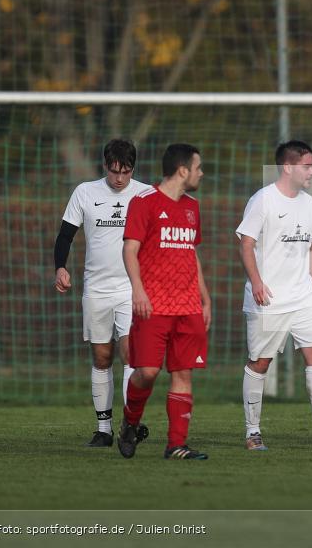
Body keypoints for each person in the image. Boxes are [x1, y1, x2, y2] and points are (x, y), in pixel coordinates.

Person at [238, 140, 312, 451]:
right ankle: (252, 432)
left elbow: (311, 250)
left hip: (303, 297)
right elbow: (246, 244)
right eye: (307, 165)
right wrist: (258, 282)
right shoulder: (262, 200)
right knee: (260, 363)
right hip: (270, 298)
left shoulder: (309, 203)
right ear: (288, 167)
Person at [53, 139, 150, 447]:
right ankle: (103, 429)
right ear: (105, 166)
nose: (119, 178)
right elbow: (66, 234)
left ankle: (129, 425)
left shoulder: (146, 194)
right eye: (113, 171)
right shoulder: (85, 192)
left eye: (125, 171)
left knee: (130, 354)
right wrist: (60, 267)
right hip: (96, 288)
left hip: (131, 289)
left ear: (133, 169)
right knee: (101, 356)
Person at [117, 143, 212, 460]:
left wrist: (204, 298)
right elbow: (130, 250)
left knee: (183, 373)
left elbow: (191, 254)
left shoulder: (192, 207)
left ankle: (176, 445)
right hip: (153, 305)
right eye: (197, 167)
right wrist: (138, 290)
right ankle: (130, 422)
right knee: (146, 372)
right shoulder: (143, 202)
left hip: (187, 306)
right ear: (183, 170)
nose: (201, 173)